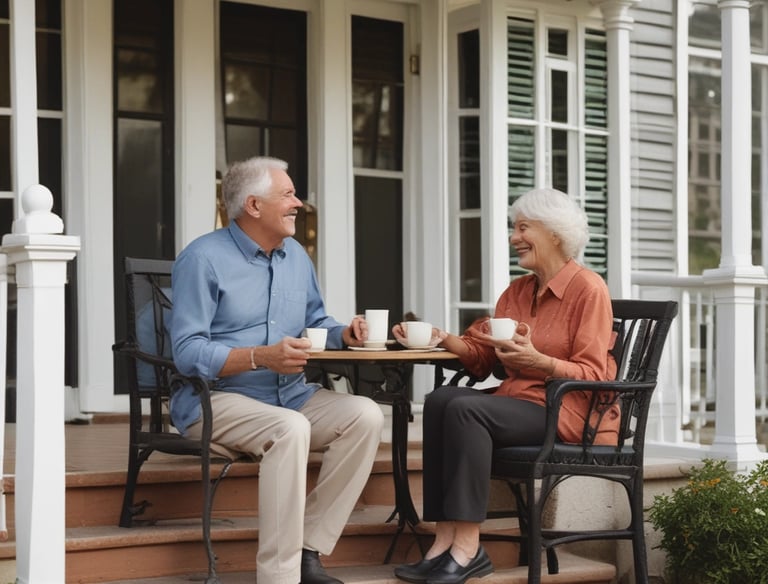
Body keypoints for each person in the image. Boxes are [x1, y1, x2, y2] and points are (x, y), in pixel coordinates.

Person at [170, 156, 385, 584]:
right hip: (214, 400)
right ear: (253, 205)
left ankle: (308, 551)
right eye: (287, 195)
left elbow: (316, 323)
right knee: (290, 429)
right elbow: (186, 351)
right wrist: (258, 356)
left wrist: (346, 333)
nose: (299, 203)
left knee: (365, 416)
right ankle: (278, 577)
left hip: (289, 395)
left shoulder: (296, 259)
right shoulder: (202, 259)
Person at [392, 188, 619, 584]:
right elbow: (482, 360)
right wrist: (440, 336)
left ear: (554, 233)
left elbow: (596, 374)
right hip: (517, 404)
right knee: (441, 400)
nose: (514, 238)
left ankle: (468, 548)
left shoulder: (588, 289)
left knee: (465, 409)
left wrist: (540, 362)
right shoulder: (517, 292)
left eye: (523, 228)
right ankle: (443, 543)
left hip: (566, 412)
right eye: (514, 229)